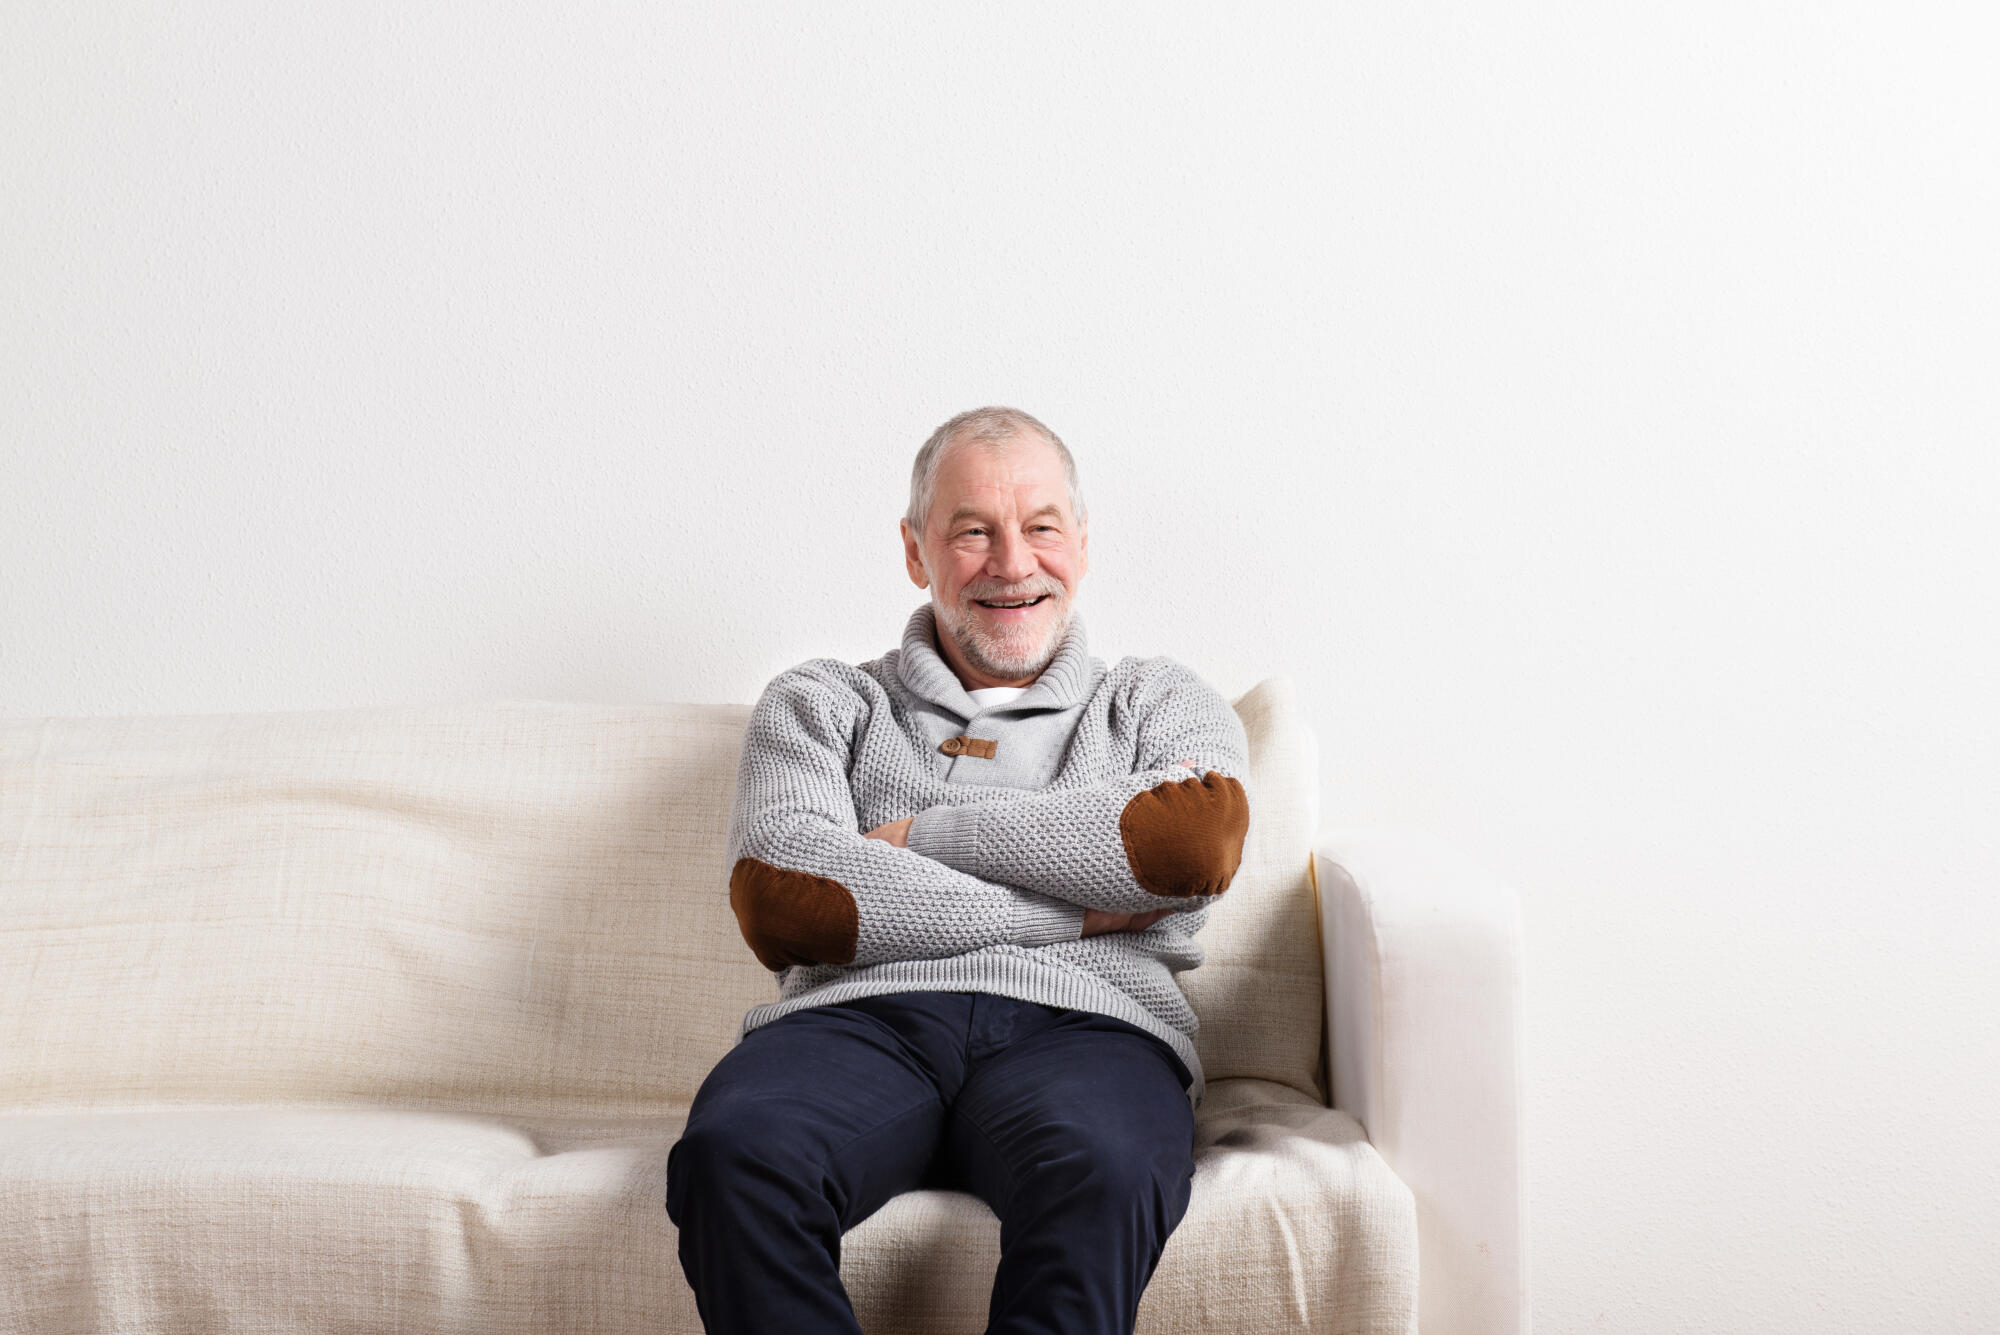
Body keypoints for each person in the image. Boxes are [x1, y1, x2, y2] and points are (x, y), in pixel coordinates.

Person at [665, 405, 1253, 1335]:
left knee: (1103, 1172)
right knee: (737, 1155)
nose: (1013, 564)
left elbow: (1190, 845)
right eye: (973, 531)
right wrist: (1073, 909)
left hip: (1090, 1028)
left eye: (1041, 527)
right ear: (916, 550)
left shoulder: (1156, 700)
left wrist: (912, 840)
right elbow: (788, 898)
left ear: (1082, 543)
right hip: (858, 1022)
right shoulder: (824, 700)